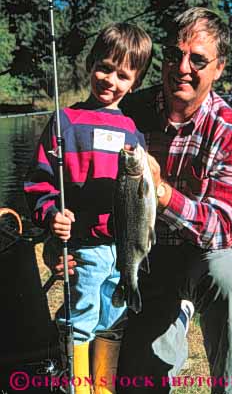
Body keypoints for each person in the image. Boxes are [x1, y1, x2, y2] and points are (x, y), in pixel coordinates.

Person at [56, 7, 232, 394]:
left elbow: (223, 228)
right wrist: (62, 235)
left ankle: (228, 388)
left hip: (199, 257)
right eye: (173, 54)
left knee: (229, 274)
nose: (182, 67)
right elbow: (78, 178)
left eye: (198, 59)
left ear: (219, 68)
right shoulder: (126, 110)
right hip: (138, 262)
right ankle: (175, 315)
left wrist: (162, 193)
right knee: (138, 384)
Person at [24, 22, 152, 394]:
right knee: (80, 319)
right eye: (104, 67)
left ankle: (102, 387)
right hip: (85, 247)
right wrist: (51, 215)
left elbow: (144, 193)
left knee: (113, 321)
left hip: (125, 248)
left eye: (122, 75)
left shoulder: (133, 131)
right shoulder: (66, 121)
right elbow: (39, 181)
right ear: (90, 64)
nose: (110, 79)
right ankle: (75, 387)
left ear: (134, 82)